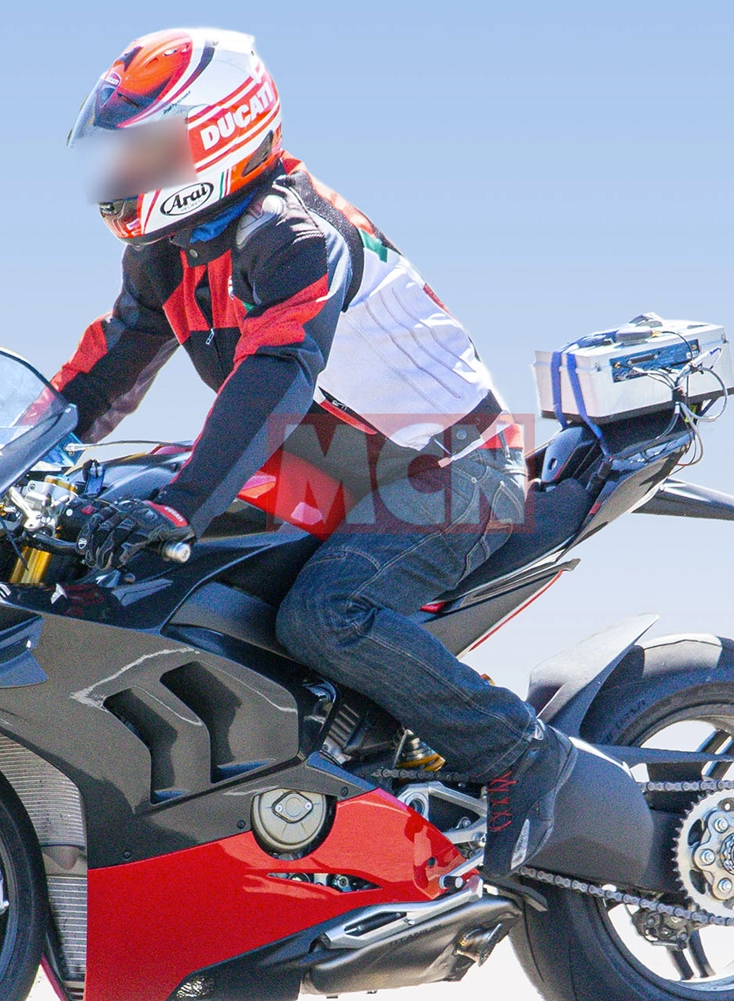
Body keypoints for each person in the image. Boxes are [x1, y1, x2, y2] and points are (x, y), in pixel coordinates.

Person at [54, 28, 575, 880]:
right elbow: (98, 376)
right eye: (120, 150)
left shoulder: (292, 233)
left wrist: (180, 506)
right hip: (340, 461)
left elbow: (276, 373)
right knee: (128, 548)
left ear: (215, 137)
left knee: (324, 614)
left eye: (144, 149)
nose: (122, 171)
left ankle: (517, 751)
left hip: (454, 466)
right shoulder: (167, 253)